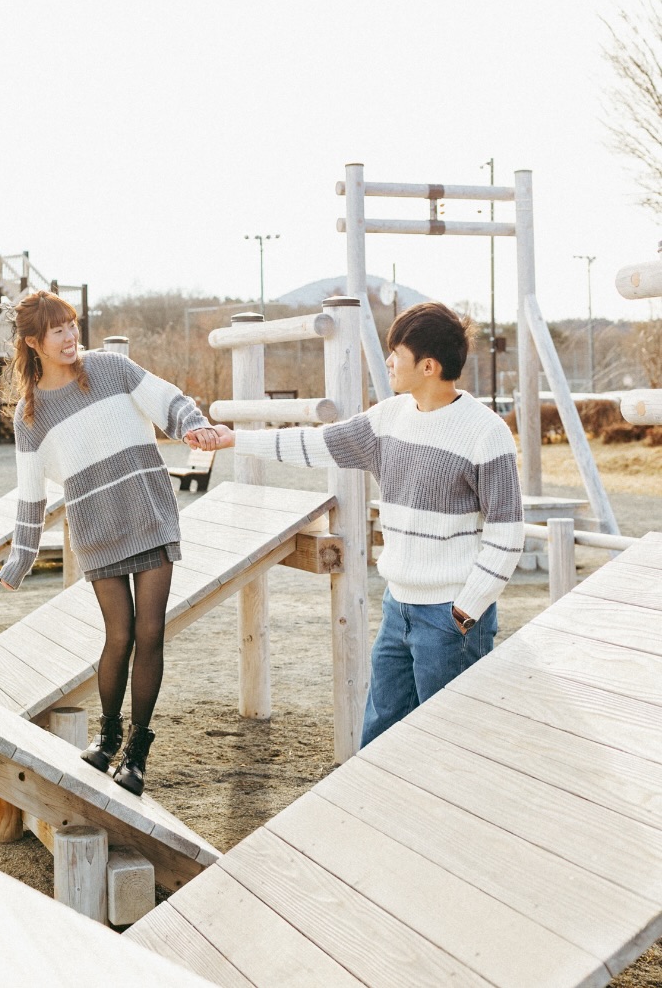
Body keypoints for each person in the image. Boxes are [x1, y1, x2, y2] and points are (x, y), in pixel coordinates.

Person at [199, 301, 523, 746]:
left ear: (428, 366)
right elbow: (315, 444)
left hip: (452, 618)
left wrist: (466, 610)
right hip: (398, 608)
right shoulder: (388, 419)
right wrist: (237, 439)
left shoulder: (486, 433)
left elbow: (506, 534)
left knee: (448, 747)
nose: (389, 361)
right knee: (378, 738)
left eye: (397, 353)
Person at [0, 289, 218, 795]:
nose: (70, 336)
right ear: (34, 342)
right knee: (118, 636)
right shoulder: (30, 416)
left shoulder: (112, 370)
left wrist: (195, 427)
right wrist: (21, 558)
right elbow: (30, 495)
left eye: (72, 324)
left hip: (148, 513)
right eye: (57, 330)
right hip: (97, 531)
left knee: (149, 633)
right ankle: (108, 735)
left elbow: (168, 399)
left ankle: (137, 753)